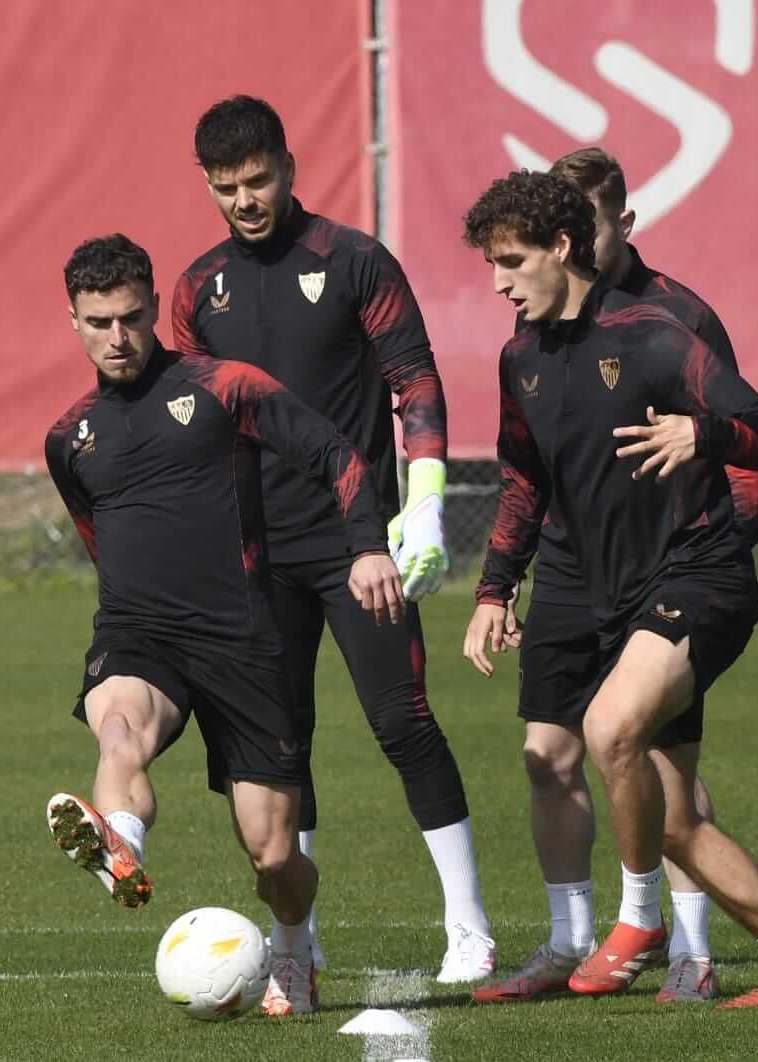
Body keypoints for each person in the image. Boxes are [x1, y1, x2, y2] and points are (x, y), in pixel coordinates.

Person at [461, 172, 758, 1008]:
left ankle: (641, 921)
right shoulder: (519, 355)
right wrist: (496, 588)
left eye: (511, 261)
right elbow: (524, 479)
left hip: (695, 575)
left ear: (562, 249)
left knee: (609, 728)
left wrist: (700, 431)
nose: (497, 281)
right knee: (673, 818)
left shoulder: (659, 334)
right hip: (588, 586)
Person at [171, 95, 494, 982]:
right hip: (253, 561)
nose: (246, 199)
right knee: (282, 746)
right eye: (226, 187)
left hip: (359, 548)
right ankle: (296, 940)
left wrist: (419, 502)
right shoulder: (197, 289)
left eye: (259, 179)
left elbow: (416, 383)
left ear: (290, 165)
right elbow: (196, 432)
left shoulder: (353, 260)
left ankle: (468, 927)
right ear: (207, 184)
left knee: (403, 722)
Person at [44, 233, 405, 1017]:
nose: (117, 337)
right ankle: (121, 847)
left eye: (132, 318)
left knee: (274, 853)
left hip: (242, 636)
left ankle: (296, 944)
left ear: (152, 310)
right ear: (72, 320)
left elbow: (336, 452)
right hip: (139, 633)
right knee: (117, 731)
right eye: (99, 321)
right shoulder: (69, 438)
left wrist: (368, 545)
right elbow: (99, 540)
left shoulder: (224, 386)